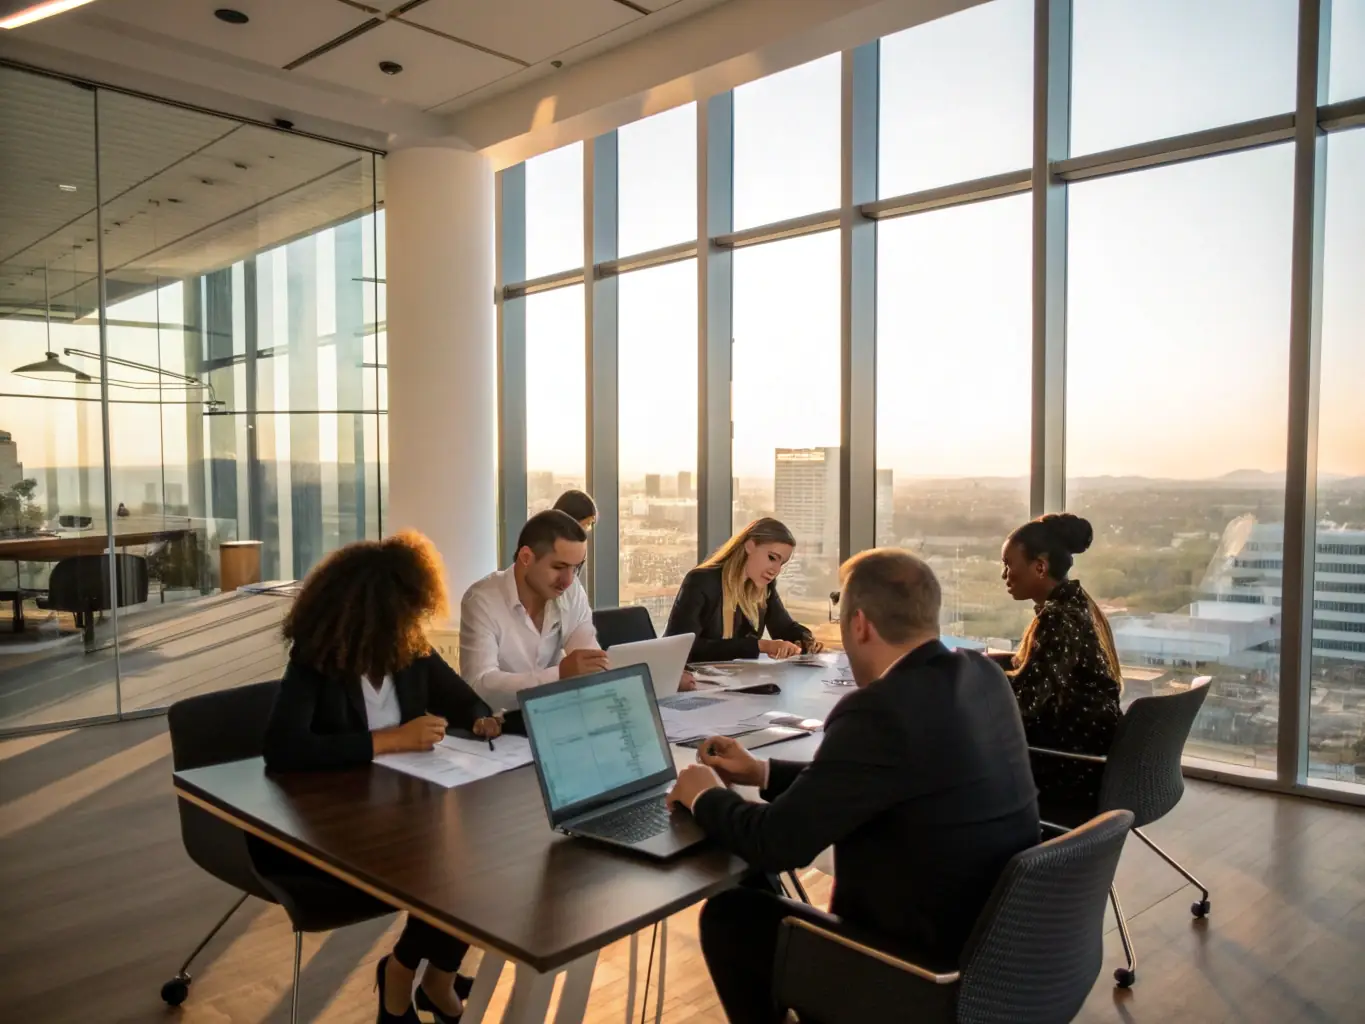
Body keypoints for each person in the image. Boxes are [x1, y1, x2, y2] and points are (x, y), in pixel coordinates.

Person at [668, 549, 1040, 1024]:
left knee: (733, 917)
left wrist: (701, 792)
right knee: (754, 885)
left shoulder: (880, 710)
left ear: (860, 625)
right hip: (1000, 959)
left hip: (919, 974)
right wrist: (761, 773)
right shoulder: (983, 675)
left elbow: (775, 844)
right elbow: (874, 785)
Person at [262, 530, 500, 1024]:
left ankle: (423, 974)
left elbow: (460, 698)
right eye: (405, 613)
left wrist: (481, 717)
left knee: (481, 855)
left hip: (406, 802)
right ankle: (408, 977)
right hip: (334, 823)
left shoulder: (410, 650)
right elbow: (283, 750)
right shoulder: (316, 662)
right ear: (368, 615)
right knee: (450, 865)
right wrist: (390, 739)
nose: (415, 622)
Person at [996, 512, 1123, 816]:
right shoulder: (1077, 603)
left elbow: (1026, 703)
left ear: (1039, 567)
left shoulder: (1058, 618)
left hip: (1071, 765)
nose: (1004, 575)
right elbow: (1045, 670)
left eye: (1008, 565)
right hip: (1095, 750)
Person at [459, 510, 609, 712]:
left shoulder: (570, 592)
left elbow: (590, 663)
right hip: (502, 728)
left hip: (556, 715)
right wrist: (559, 675)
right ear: (526, 557)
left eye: (576, 568)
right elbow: (479, 685)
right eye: (559, 567)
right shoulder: (481, 601)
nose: (568, 580)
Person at [664, 518, 820, 662]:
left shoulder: (764, 587)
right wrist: (760, 646)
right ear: (750, 546)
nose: (776, 570)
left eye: (781, 564)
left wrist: (806, 640)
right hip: (692, 679)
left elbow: (785, 628)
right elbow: (683, 647)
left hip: (736, 680)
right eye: (772, 558)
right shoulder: (701, 581)